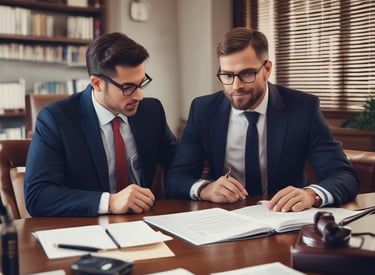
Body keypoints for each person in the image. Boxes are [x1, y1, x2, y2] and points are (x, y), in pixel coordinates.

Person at [165, 27, 358, 212]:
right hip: (223, 219)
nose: (236, 86)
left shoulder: (302, 108)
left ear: (266, 69)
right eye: (227, 75)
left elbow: (343, 175)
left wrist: (311, 194)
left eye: (246, 74)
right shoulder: (203, 110)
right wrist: (205, 189)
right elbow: (176, 178)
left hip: (284, 219)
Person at [25, 32, 177, 216]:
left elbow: (179, 165)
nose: (139, 96)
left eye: (141, 83)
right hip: (87, 228)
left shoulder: (151, 112)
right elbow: (38, 196)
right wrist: (109, 202)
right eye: (128, 87)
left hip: (145, 221)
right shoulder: (56, 120)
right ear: (97, 83)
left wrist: (203, 187)